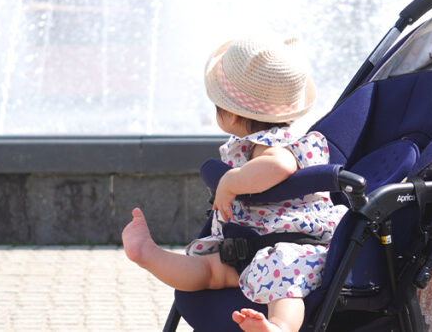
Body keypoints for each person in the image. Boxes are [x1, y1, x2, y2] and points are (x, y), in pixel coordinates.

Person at [122, 37, 347, 332]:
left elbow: (280, 165)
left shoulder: (277, 143)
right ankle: (149, 254)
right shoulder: (255, 142)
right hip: (246, 247)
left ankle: (280, 327)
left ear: (232, 114)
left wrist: (232, 180)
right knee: (207, 271)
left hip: (290, 246)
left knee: (285, 288)